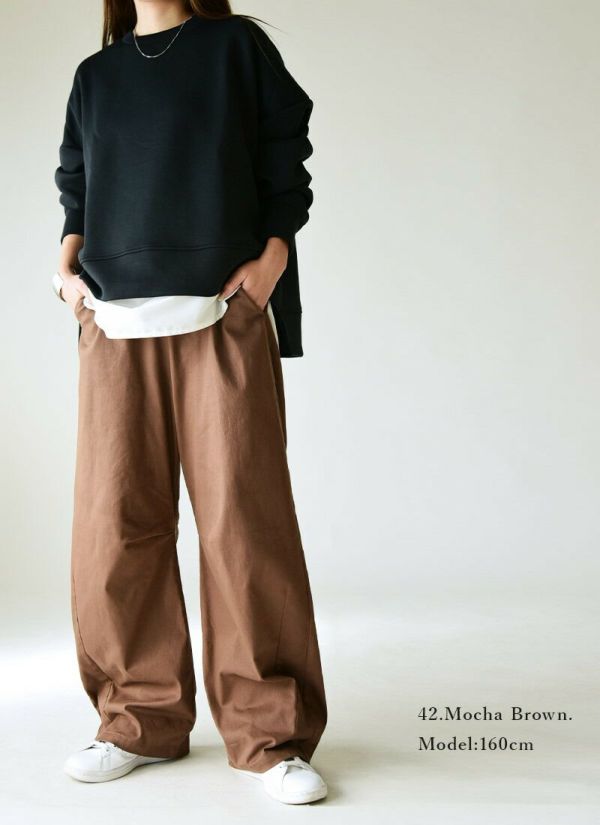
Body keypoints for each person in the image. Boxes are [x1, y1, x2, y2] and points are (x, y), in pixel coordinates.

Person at [53, 0, 328, 805]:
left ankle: (270, 735)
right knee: (115, 523)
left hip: (220, 313)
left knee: (244, 520)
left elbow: (285, 157)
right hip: (113, 323)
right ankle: (137, 720)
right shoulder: (96, 76)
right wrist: (65, 273)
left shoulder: (235, 49)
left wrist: (271, 262)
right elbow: (77, 188)